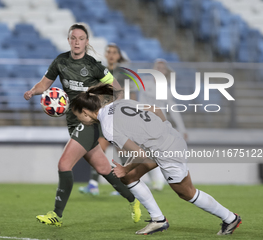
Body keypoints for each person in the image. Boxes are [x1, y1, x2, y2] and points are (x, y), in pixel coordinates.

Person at [70, 84, 242, 235]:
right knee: (129, 178)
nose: (79, 119)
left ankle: (230, 218)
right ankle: (158, 220)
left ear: (85, 112)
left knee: (186, 192)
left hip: (167, 150)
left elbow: (140, 155)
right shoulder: (119, 103)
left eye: (77, 115)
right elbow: (156, 109)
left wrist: (125, 168)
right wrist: (162, 130)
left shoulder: (108, 128)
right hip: (166, 139)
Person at [23, 24, 141, 227]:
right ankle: (133, 199)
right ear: (69, 40)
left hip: (89, 123)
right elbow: (45, 84)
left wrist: (98, 107)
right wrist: (32, 91)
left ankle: (56, 215)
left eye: (81, 38)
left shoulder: (94, 65)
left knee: (64, 164)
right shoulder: (60, 61)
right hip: (72, 122)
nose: (77, 42)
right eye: (73, 38)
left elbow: (118, 90)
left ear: (87, 42)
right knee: (104, 167)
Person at [78, 43, 136, 196]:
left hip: (120, 117)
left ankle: (127, 185)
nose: (111, 55)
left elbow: (133, 95)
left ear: (118, 55)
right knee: (98, 149)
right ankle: (93, 184)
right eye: (109, 52)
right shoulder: (102, 73)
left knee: (121, 152)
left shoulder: (124, 73)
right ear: (105, 54)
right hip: (106, 117)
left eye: (114, 52)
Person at [138, 58, 188, 191]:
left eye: (162, 68)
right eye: (158, 67)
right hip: (144, 123)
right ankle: (155, 181)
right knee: (144, 154)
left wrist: (182, 128)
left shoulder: (166, 89)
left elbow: (173, 109)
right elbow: (139, 104)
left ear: (165, 72)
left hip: (159, 125)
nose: (160, 70)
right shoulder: (145, 84)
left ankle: (159, 182)